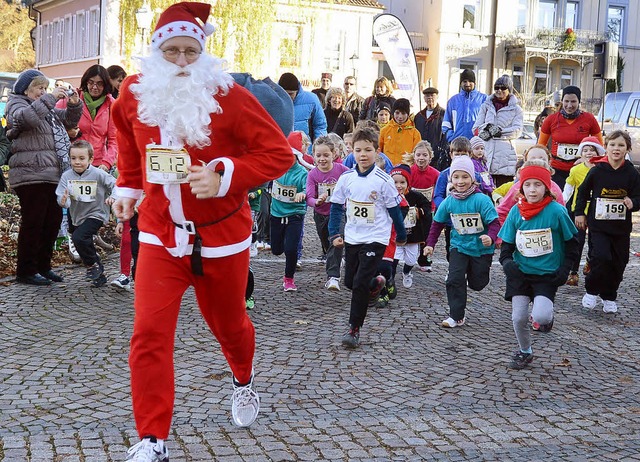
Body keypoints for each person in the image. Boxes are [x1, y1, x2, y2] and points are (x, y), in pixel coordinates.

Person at [110, 3, 293, 459]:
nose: (181, 63)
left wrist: (224, 173)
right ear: (155, 51)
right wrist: (129, 188)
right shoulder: (133, 92)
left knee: (229, 326)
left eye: (190, 52)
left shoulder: (228, 95)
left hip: (221, 234)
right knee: (148, 334)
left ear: (204, 51)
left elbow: (278, 154)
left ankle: (243, 377)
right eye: (171, 51)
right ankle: (153, 439)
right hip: (159, 232)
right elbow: (131, 147)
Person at [328, 127, 406, 348]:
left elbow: (394, 210)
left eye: (368, 150)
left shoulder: (383, 180)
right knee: (351, 282)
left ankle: (354, 329)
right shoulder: (346, 178)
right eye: (359, 150)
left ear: (377, 152)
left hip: (376, 237)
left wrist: (400, 235)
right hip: (353, 236)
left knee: (359, 283)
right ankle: (376, 284)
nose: (363, 155)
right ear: (352, 150)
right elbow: (336, 207)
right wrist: (335, 232)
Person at [498, 160, 579, 369]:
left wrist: (565, 269)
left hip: (547, 274)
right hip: (521, 273)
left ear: (547, 187)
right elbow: (506, 244)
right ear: (521, 187)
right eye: (527, 185)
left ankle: (547, 316)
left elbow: (572, 243)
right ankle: (525, 351)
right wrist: (507, 262)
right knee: (518, 318)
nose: (532, 190)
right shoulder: (516, 211)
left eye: (537, 185)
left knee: (541, 316)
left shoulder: (556, 211)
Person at [6, 69, 82, 286]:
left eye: (44, 88)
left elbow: (67, 120)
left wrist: (74, 103)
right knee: (34, 222)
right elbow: (26, 119)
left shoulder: (45, 110)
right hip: (30, 174)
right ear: (26, 89)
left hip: (51, 173)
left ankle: (43, 267)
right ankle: (26, 270)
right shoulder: (16, 104)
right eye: (39, 88)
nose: (43, 92)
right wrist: (49, 98)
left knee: (52, 222)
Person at [424, 155, 499, 328]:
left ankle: (471, 278)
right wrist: (430, 244)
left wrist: (491, 237)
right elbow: (437, 223)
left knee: (478, 283)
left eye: (465, 176)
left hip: (481, 249)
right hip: (459, 246)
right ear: (451, 178)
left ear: (472, 178)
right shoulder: (450, 201)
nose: (460, 181)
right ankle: (456, 316)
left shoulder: (482, 200)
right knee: (453, 279)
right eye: (456, 177)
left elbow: (494, 223)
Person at [574, 130, 640, 314]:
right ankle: (592, 290)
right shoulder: (597, 170)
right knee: (601, 257)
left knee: (620, 261)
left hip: (621, 228)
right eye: (612, 145)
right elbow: (583, 192)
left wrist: (632, 202)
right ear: (605, 147)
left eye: (620, 145)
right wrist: (580, 213)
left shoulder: (632, 173)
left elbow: (638, 197)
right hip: (598, 225)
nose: (616, 149)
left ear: (627, 148)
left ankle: (609, 295)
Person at [56, 140, 116, 287]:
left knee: (79, 237)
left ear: (90, 159)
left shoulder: (98, 174)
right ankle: (99, 273)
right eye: (73, 158)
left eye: (81, 159)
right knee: (81, 240)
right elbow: (61, 197)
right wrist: (64, 201)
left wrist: (113, 196)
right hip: (77, 215)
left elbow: (116, 184)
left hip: (97, 213)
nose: (77, 162)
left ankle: (91, 265)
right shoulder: (66, 176)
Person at [537, 85, 602, 188]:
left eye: (573, 102)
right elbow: (540, 146)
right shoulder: (551, 119)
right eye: (566, 101)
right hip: (556, 169)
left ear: (579, 102)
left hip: (580, 168)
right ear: (562, 101)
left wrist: (585, 159)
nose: (569, 105)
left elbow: (600, 147)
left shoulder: (589, 119)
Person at [306, 135, 349, 290]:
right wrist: (317, 201)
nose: (322, 159)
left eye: (326, 155)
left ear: (334, 154)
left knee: (336, 241)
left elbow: (354, 181)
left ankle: (333, 277)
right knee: (327, 245)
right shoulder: (313, 175)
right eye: (318, 155)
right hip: (320, 214)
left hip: (337, 213)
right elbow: (309, 197)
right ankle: (336, 259)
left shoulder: (342, 170)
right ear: (314, 156)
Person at [561, 136, 605, 286]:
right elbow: (568, 188)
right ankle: (573, 272)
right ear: (581, 153)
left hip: (597, 212)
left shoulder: (602, 169)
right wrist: (561, 202)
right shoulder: (576, 170)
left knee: (594, 241)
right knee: (577, 242)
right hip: (578, 211)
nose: (589, 153)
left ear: (598, 151)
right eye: (585, 150)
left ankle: (590, 262)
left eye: (592, 150)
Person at [57, 65, 118, 172]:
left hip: (98, 165)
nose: (95, 87)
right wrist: (67, 132)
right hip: (72, 162)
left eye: (99, 83)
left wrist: (106, 163)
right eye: (91, 82)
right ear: (86, 82)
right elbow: (52, 122)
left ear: (105, 84)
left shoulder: (111, 105)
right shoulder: (72, 99)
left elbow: (114, 140)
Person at [472, 75, 523, 187]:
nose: (499, 91)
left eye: (503, 88)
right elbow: (476, 128)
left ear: (509, 90)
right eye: (496, 88)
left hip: (505, 157)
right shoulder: (486, 106)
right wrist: (487, 130)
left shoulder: (516, 109)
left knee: (503, 192)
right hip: (486, 154)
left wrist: (498, 131)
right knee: (485, 190)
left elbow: (517, 130)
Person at [270, 150, 307, 291]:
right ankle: (282, 244)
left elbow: (307, 189)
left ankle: (289, 279)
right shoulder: (276, 168)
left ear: (296, 156)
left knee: (291, 249)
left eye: (290, 155)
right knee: (276, 250)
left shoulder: (302, 173)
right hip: (276, 213)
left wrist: (302, 194)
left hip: (295, 214)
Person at [389, 164, 430, 289]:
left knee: (411, 260)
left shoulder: (415, 196)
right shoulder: (388, 195)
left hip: (412, 234)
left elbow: (427, 207)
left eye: (402, 182)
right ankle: (390, 281)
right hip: (395, 235)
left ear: (408, 183)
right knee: (393, 259)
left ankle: (406, 272)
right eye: (395, 182)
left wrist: (419, 212)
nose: (398, 186)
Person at [407, 141, 438, 271]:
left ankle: (424, 259)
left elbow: (437, 193)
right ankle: (406, 256)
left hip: (428, 210)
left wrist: (434, 208)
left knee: (427, 235)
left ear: (430, 157)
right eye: (418, 155)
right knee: (411, 233)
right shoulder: (409, 171)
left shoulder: (436, 174)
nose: (421, 158)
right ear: (414, 156)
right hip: (410, 210)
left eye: (424, 155)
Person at [278, 72, 327, 144]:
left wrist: (319, 146)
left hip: (305, 149)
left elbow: (320, 126)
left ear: (297, 91)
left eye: (291, 94)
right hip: (281, 148)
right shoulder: (272, 100)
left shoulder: (312, 99)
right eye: (284, 93)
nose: (288, 96)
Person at [442, 69, 487, 144]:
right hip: (458, 144)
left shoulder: (484, 99)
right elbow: (446, 123)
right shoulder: (453, 101)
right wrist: (452, 137)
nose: (467, 84)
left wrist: (482, 138)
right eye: (464, 81)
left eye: (470, 81)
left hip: (478, 144)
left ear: (475, 83)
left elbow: (489, 121)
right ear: (461, 83)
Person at [378, 98, 421, 165]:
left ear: (408, 114)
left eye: (403, 113)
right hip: (388, 169)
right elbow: (378, 152)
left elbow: (417, 154)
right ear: (393, 113)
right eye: (397, 113)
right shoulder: (384, 130)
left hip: (406, 170)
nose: (400, 116)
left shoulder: (415, 133)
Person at [413, 87, 448, 170]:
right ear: (424, 98)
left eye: (432, 95)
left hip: (437, 157)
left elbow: (446, 135)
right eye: (427, 96)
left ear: (437, 97)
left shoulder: (444, 115)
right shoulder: (419, 116)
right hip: (421, 157)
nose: (430, 98)